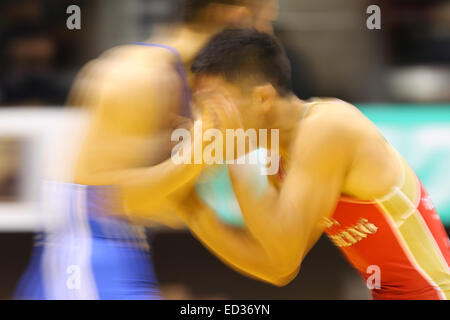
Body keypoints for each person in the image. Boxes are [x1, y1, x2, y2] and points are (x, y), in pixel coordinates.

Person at [14, 1, 276, 300]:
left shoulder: (193, 81)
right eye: (267, 21)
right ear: (233, 15)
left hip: (119, 257)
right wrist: (203, 156)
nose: (271, 36)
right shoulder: (139, 78)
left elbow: (160, 204)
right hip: (87, 260)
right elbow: (103, 196)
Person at [177, 28, 450, 300]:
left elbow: (283, 254)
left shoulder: (328, 127)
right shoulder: (276, 157)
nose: (206, 118)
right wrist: (192, 210)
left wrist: (235, 159)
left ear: (262, 98)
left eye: (214, 105)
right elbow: (278, 268)